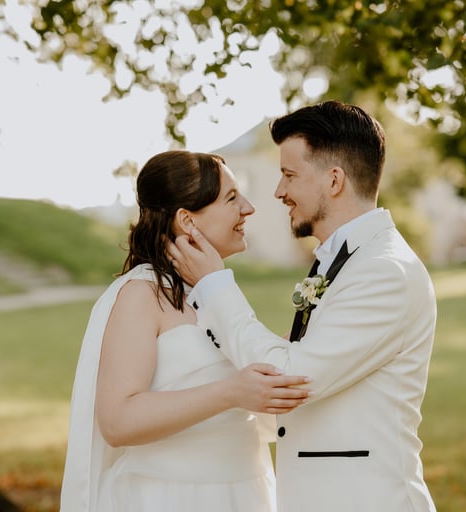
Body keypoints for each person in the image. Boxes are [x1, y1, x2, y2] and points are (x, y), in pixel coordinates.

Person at [168, 101, 438, 512]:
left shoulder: (384, 272)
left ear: (334, 180)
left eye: (289, 175)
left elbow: (290, 378)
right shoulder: (344, 261)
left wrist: (214, 285)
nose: (279, 191)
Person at [59, 150, 311, 512]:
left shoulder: (215, 294)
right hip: (169, 497)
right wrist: (230, 392)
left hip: (245, 493)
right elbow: (117, 421)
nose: (249, 208)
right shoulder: (142, 294)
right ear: (187, 220)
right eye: (231, 198)